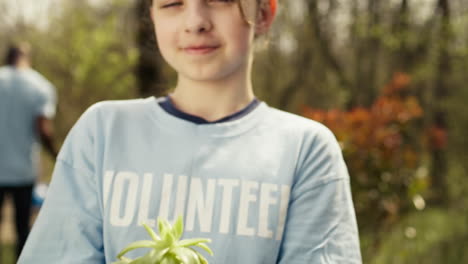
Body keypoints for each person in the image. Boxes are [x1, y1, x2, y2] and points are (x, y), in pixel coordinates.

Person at [19, 0, 362, 263]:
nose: (196, 22)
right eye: (172, 3)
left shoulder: (306, 149)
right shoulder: (102, 132)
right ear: (152, 15)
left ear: (264, 12)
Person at [0, 43, 57, 259]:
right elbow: (43, 129)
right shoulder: (40, 86)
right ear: (27, 58)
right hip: (22, 170)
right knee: (22, 228)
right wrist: (57, 156)